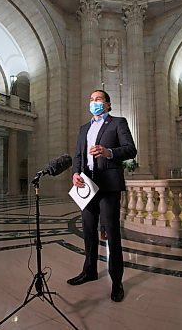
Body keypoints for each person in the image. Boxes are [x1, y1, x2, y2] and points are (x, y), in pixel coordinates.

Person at [68, 89, 137, 302]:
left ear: (107, 104)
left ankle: (117, 281)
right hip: (87, 185)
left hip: (109, 185)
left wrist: (109, 152)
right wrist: (75, 174)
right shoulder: (83, 128)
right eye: (91, 99)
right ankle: (89, 271)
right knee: (88, 231)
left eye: (98, 99)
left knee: (112, 234)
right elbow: (78, 155)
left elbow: (130, 150)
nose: (94, 102)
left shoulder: (118, 123)